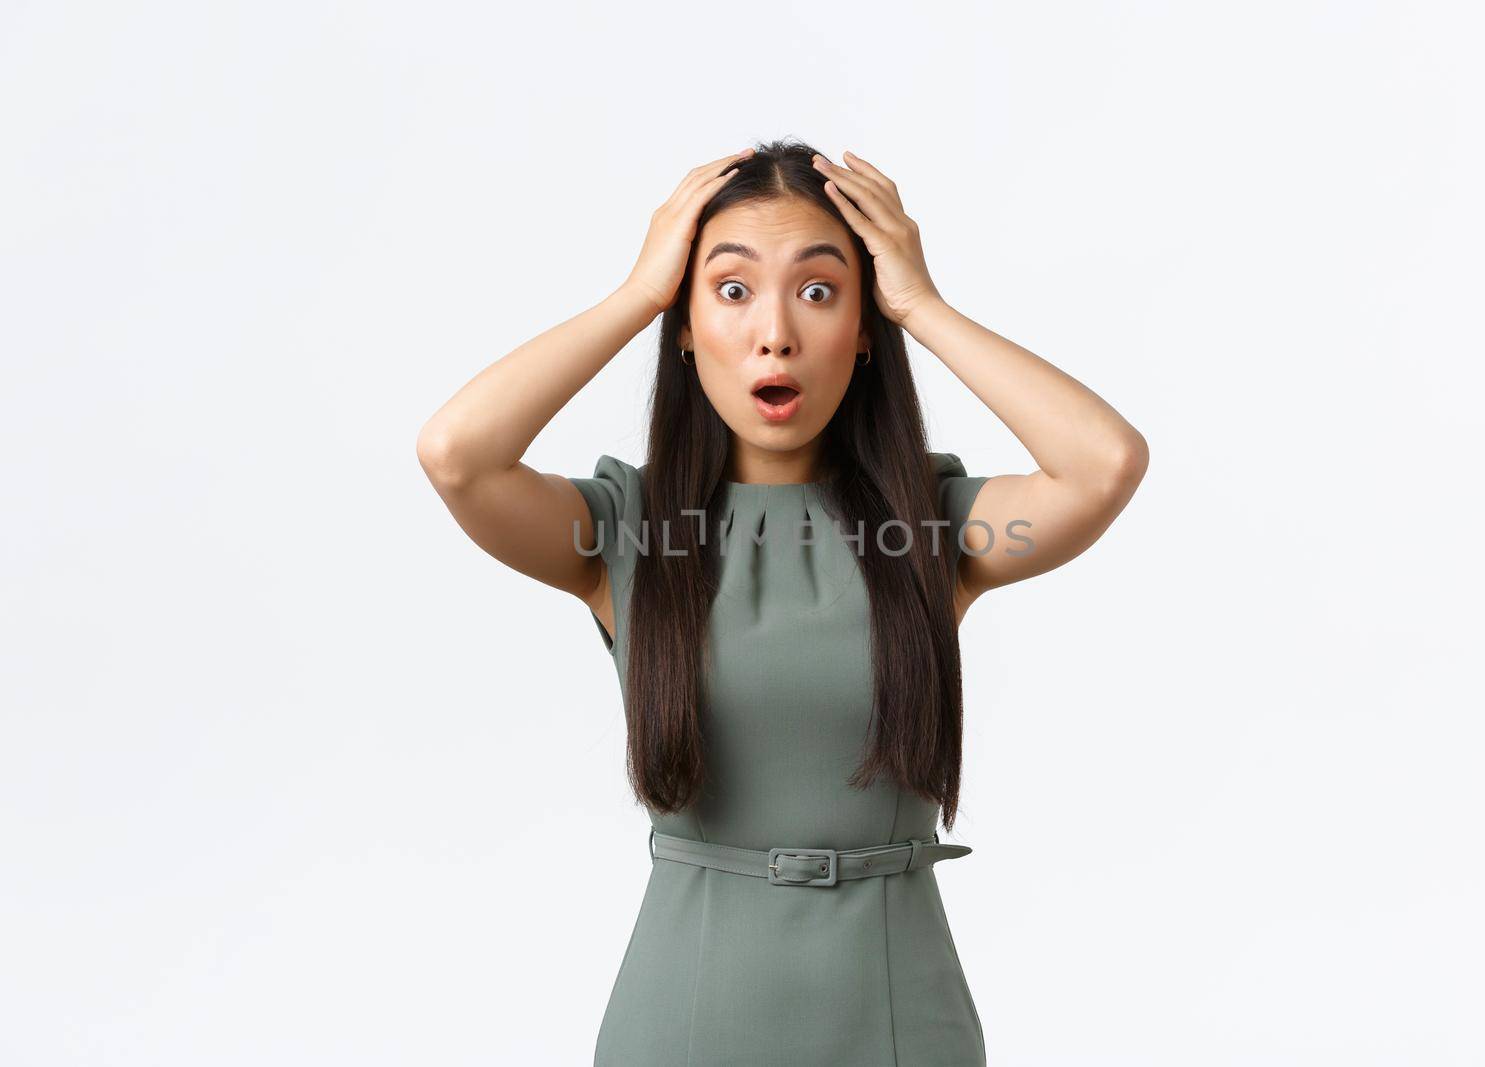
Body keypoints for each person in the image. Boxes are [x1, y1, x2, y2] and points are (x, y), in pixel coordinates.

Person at [416, 138, 1149, 1066]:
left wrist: (922, 304)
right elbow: (457, 454)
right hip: (686, 1016)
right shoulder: (628, 531)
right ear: (687, 323)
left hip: (899, 1016)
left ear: (864, 322)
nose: (775, 334)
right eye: (730, 290)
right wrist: (639, 293)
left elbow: (1105, 463)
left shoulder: (928, 530)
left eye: (817, 290)